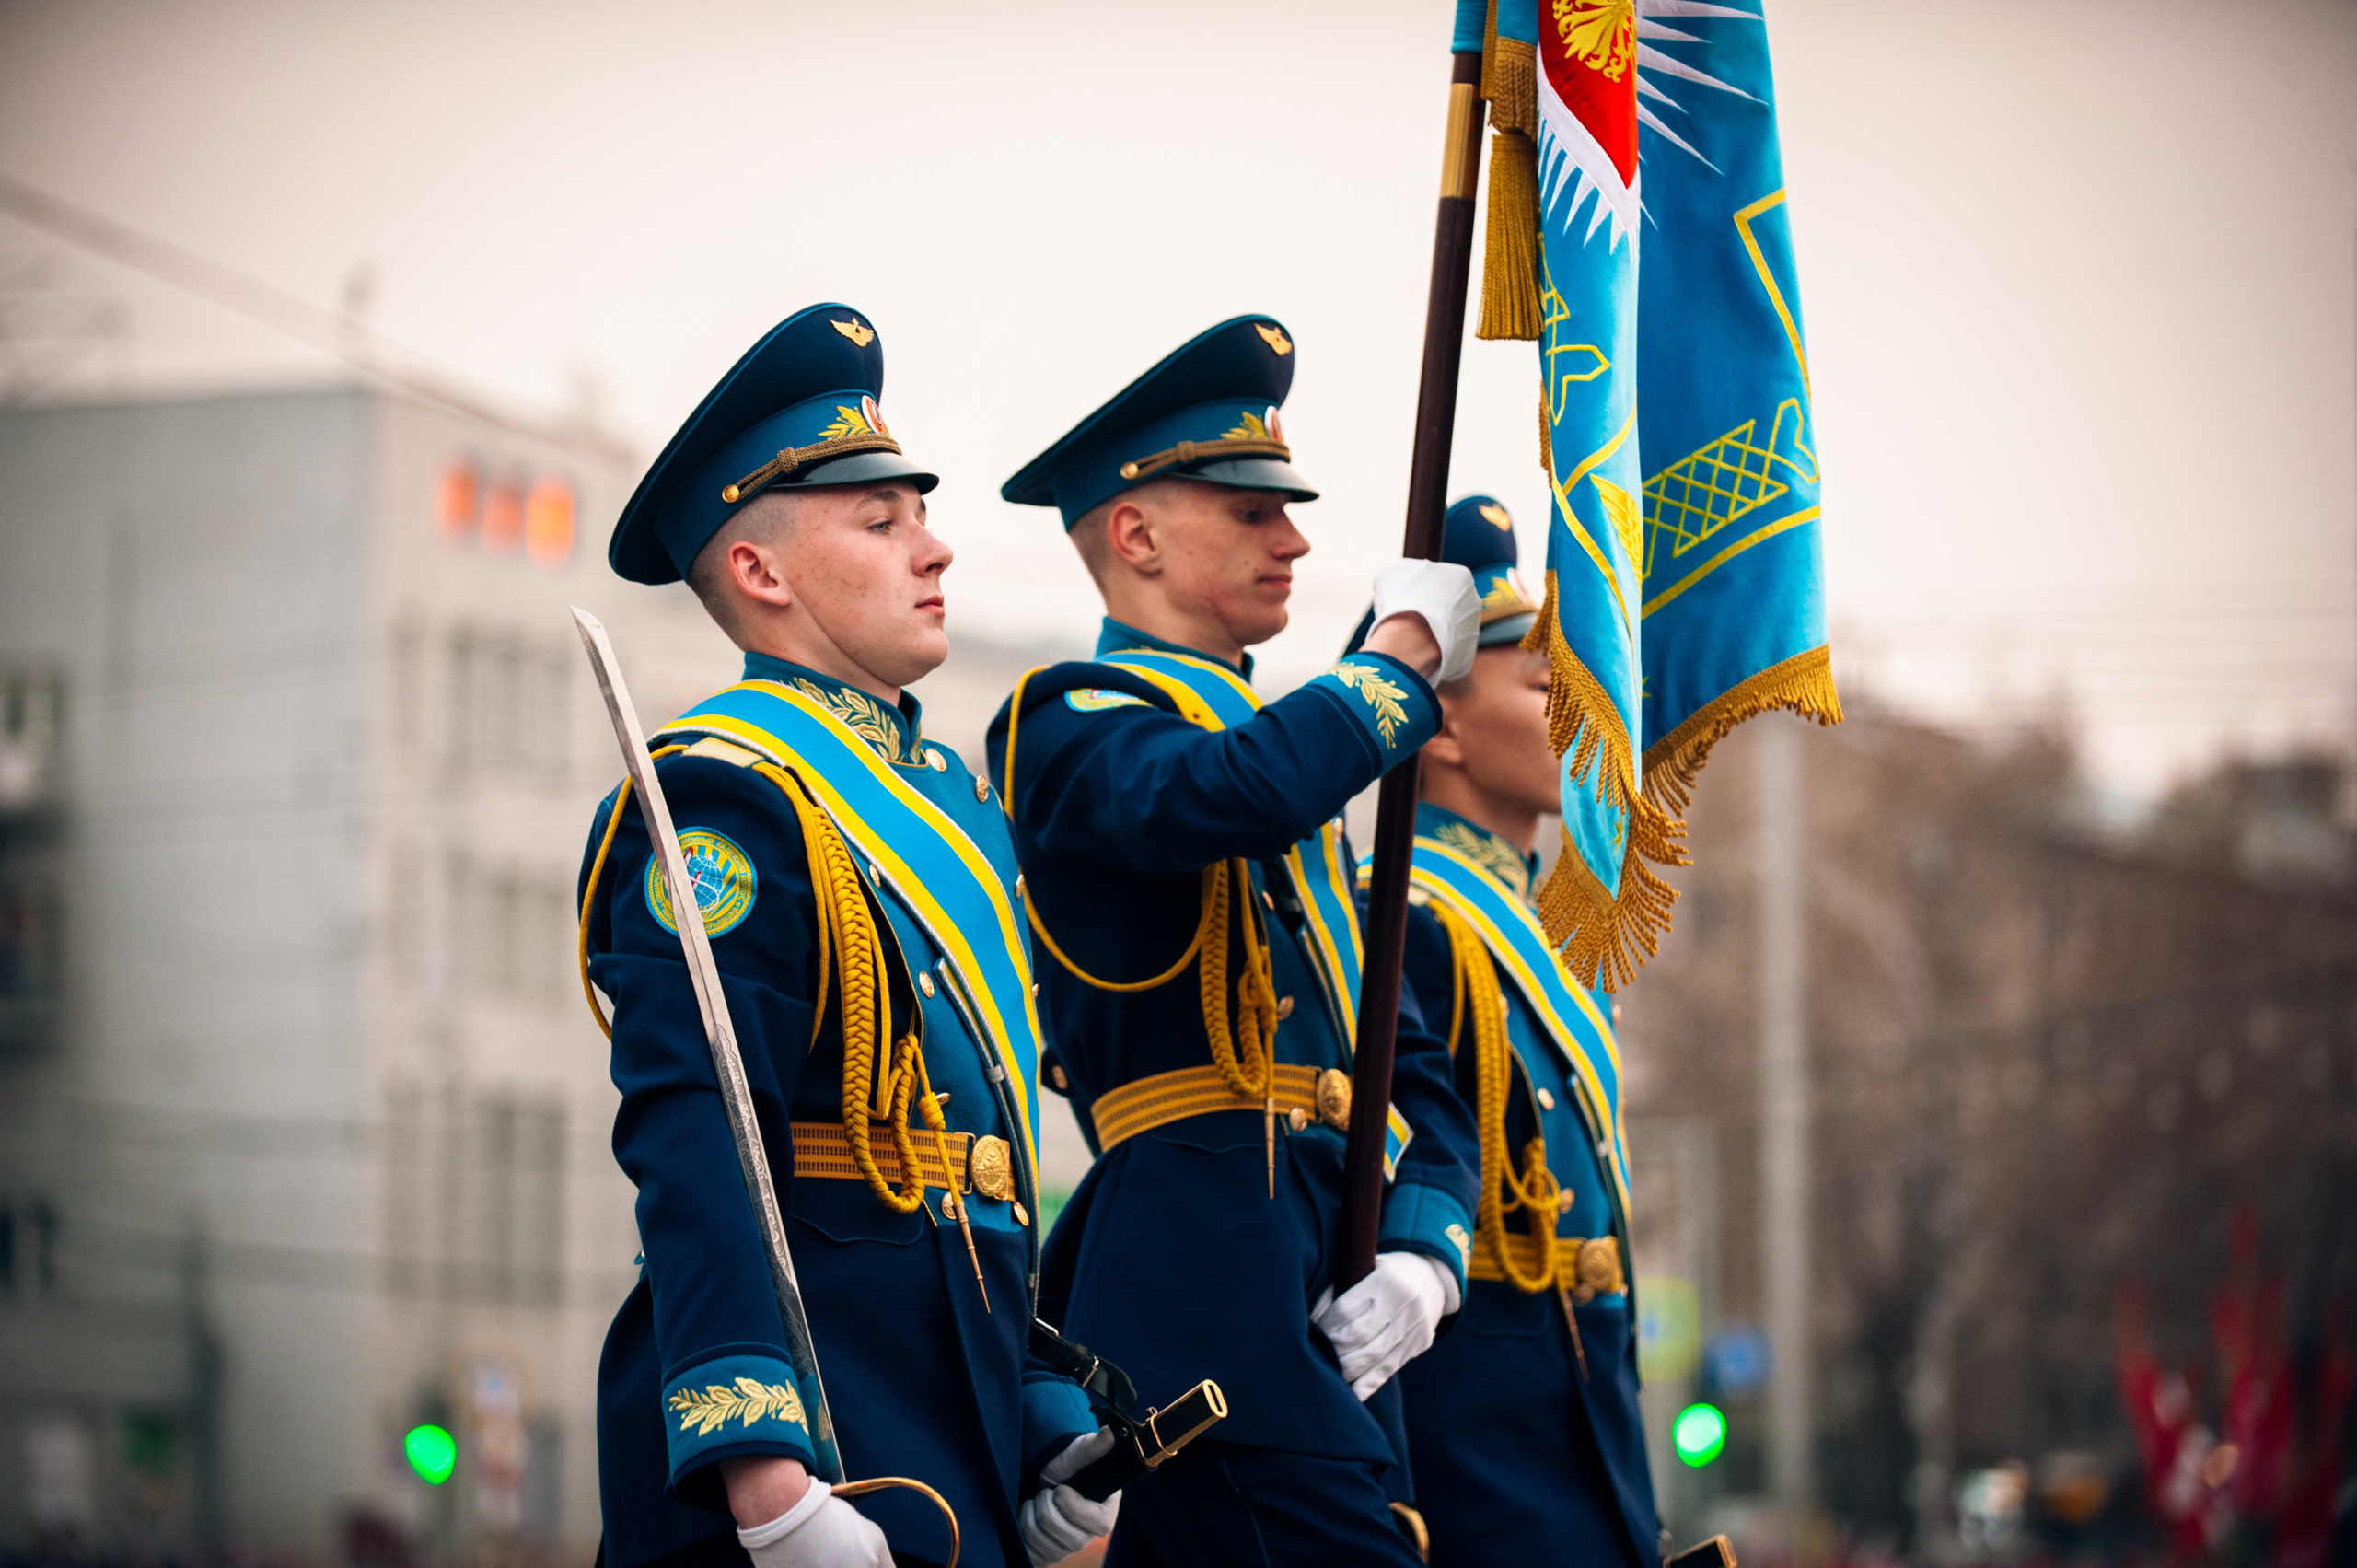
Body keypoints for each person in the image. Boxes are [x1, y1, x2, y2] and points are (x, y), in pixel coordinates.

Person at [579, 305, 1117, 1568]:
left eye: (919, 514)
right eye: (882, 522)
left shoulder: (952, 807)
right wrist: (762, 1474)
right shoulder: (724, 797)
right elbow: (697, 1131)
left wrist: (1042, 1418)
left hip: (954, 1440)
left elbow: (973, 1170)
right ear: (761, 572)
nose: (934, 550)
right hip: (819, 1446)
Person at [985, 316, 1484, 1567]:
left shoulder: (1293, 768)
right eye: (1253, 510)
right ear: (1137, 532)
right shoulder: (1070, 725)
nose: (1297, 539)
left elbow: (1410, 1066)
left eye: (1293, 511)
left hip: (1317, 1282)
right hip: (1202, 1283)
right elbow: (1223, 791)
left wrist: (1426, 1246)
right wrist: (1399, 659)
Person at [1374, 496, 1662, 1568]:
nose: (1584, 710)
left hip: (1585, 1423)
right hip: (1476, 1447)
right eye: (1544, 686)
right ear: (1439, 723)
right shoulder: (1403, 918)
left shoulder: (1540, 932)